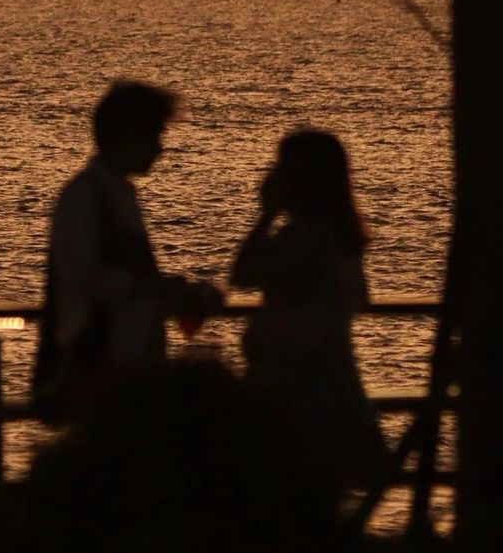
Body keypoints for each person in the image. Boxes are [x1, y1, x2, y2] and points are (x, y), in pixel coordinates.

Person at [32, 80, 219, 418]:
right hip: (101, 366)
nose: (160, 149)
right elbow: (80, 277)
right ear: (129, 135)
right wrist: (152, 289)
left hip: (130, 364)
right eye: (155, 135)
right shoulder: (85, 196)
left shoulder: (118, 195)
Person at [230, 128, 388, 489]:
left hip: (301, 396)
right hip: (333, 387)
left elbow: (243, 274)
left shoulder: (305, 235)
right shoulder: (342, 237)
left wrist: (265, 214)